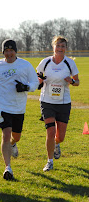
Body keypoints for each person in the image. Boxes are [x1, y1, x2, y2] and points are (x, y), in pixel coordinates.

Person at [0, 39, 39, 180]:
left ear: (15, 51)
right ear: (3, 52)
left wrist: (25, 87)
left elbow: (35, 83)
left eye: (11, 50)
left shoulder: (25, 65)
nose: (9, 53)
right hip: (1, 106)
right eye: (6, 51)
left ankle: (13, 144)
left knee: (16, 136)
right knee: (6, 134)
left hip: (18, 107)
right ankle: (8, 168)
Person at [36, 35, 79, 172]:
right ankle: (49, 161)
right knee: (50, 131)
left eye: (63, 46)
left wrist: (71, 81)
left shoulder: (69, 63)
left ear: (65, 48)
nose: (60, 48)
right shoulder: (45, 62)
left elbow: (77, 82)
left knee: (60, 137)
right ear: (53, 47)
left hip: (64, 102)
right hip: (47, 101)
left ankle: (56, 144)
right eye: (58, 46)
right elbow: (37, 78)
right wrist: (40, 81)